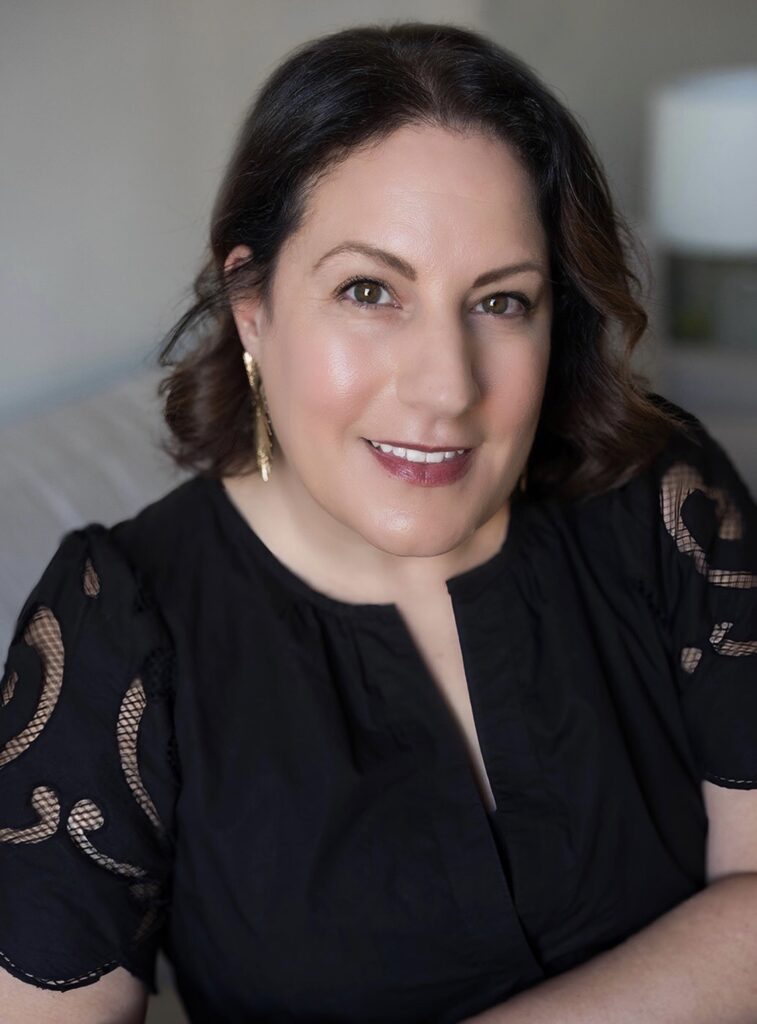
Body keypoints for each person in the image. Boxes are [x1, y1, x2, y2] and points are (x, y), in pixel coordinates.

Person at [1, 20, 756, 1024]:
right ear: (253, 306)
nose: (447, 388)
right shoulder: (115, 635)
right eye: (370, 291)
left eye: (500, 301)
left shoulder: (662, 496)